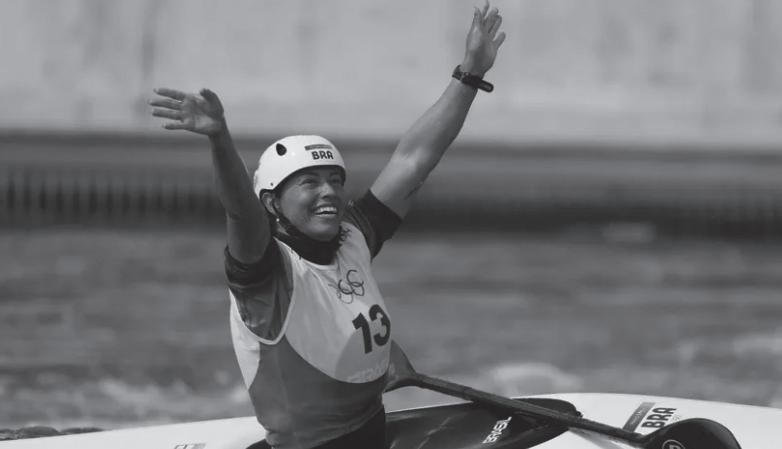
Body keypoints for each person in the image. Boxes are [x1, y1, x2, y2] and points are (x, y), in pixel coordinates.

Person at [149, 3, 505, 449]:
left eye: (335, 180)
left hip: (372, 429)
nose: (329, 192)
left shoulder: (353, 236)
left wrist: (470, 74)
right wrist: (220, 139)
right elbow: (240, 212)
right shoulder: (265, 273)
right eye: (310, 183)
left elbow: (414, 160)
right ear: (272, 203)